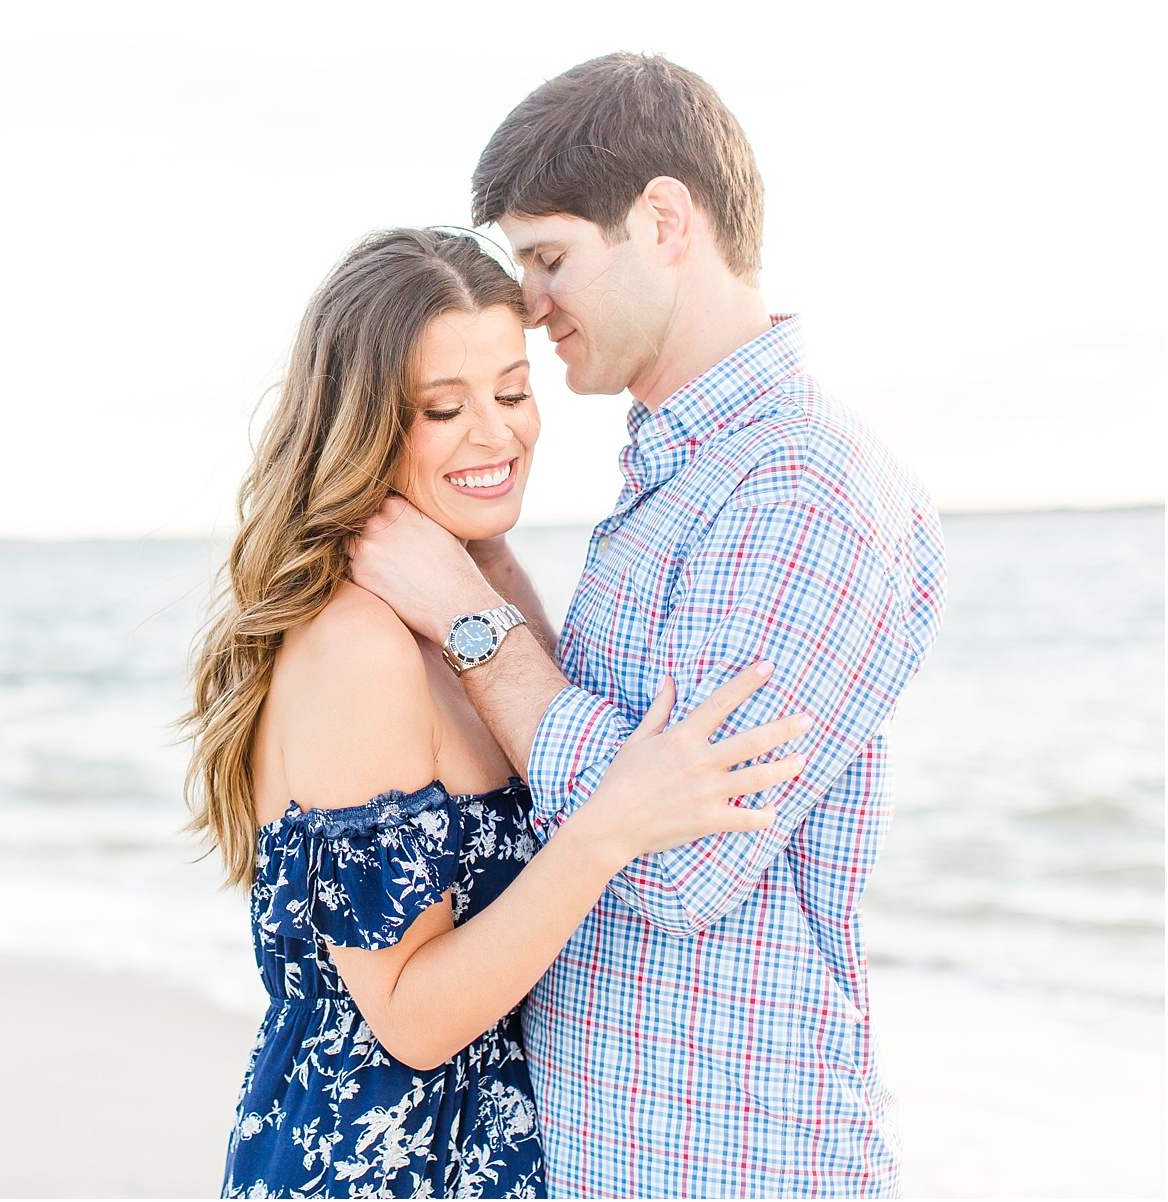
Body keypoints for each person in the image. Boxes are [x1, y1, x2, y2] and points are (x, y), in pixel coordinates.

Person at [348, 55, 947, 1198]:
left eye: (551, 256)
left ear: (665, 220)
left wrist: (468, 613)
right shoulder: (680, 471)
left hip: (730, 1160)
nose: (528, 302)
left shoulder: (800, 489)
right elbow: (608, 766)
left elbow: (680, 863)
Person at [185, 228, 810, 1198]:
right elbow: (410, 1015)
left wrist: (497, 586)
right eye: (445, 406)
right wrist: (608, 830)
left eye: (514, 392)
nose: (497, 433)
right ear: (364, 424)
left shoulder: (464, 608)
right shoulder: (360, 645)